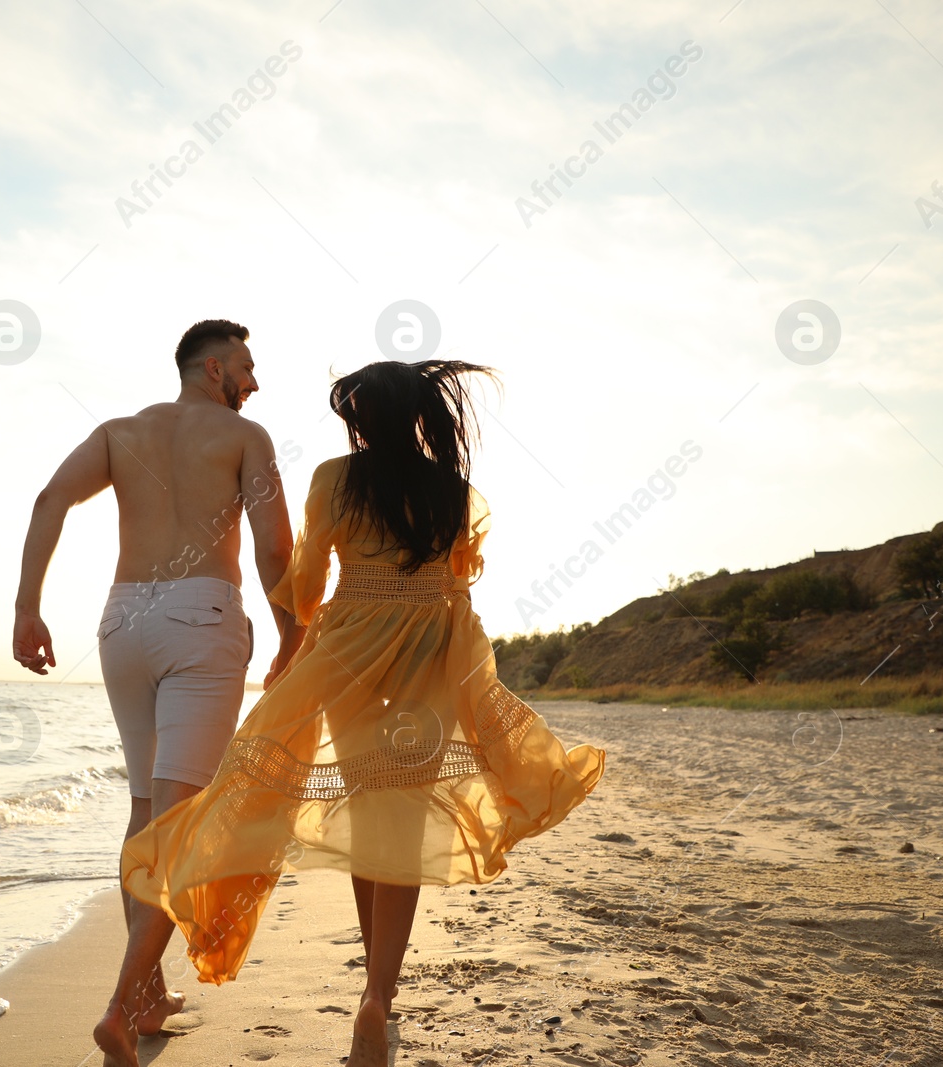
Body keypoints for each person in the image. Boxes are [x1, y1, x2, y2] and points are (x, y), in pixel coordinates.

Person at [117, 359, 607, 1067]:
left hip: (349, 657)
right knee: (399, 819)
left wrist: (286, 616)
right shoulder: (456, 491)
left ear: (360, 419)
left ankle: (375, 988)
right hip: (431, 658)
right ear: (417, 416)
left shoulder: (334, 480)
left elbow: (309, 580)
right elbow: (459, 576)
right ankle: (379, 996)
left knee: (368, 800)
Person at [11, 319, 307, 1053]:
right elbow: (274, 544)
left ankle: (145, 996)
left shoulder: (118, 432)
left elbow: (50, 498)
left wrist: (27, 608)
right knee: (184, 820)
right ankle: (119, 1004)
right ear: (212, 369)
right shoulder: (248, 437)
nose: (255, 381)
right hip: (200, 613)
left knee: (147, 808)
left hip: (123, 621)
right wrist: (292, 631)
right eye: (246, 366)